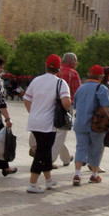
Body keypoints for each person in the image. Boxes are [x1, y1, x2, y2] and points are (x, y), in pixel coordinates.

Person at [23, 54, 71, 193]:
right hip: (48, 124)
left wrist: (34, 113)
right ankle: (32, 184)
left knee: (44, 151)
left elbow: (27, 99)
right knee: (42, 153)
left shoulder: (36, 81)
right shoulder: (60, 83)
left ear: (46, 65)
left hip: (34, 122)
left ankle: (49, 180)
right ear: (59, 68)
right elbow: (66, 102)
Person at [72, 65, 109, 185]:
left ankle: (77, 174)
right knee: (96, 149)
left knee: (80, 148)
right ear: (101, 76)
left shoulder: (80, 88)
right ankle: (94, 175)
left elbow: (75, 106)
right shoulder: (102, 89)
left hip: (80, 123)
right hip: (96, 125)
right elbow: (106, 107)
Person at [55, 52, 80, 167]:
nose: (77, 63)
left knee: (55, 134)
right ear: (71, 61)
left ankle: (66, 158)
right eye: (75, 60)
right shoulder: (73, 74)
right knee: (60, 134)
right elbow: (77, 93)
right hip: (65, 106)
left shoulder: (55, 71)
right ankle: (49, 160)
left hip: (51, 106)